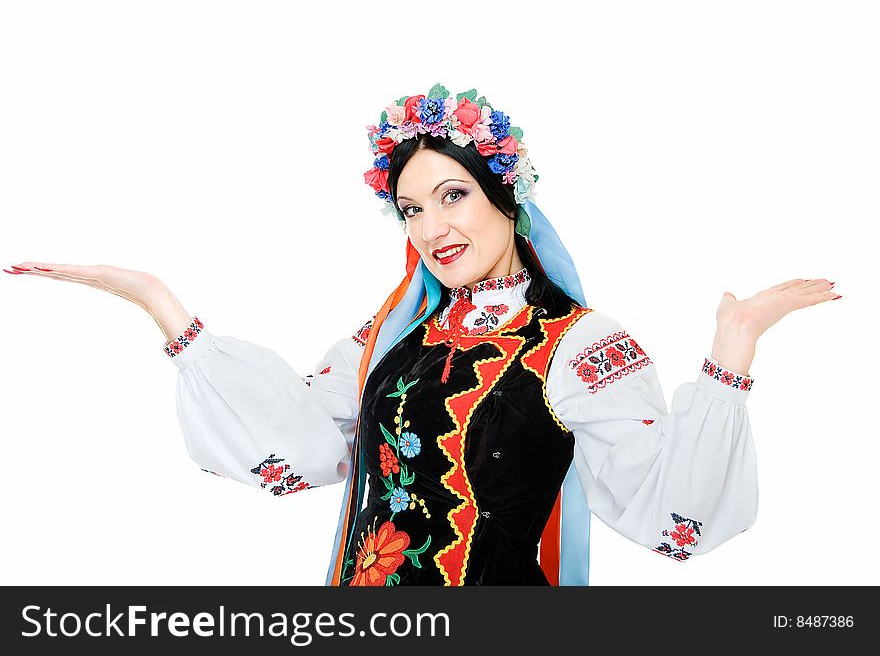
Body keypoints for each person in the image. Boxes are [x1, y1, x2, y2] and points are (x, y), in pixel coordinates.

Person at [5, 83, 842, 586]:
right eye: (412, 208)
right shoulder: (391, 339)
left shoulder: (579, 344)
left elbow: (671, 512)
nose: (432, 226)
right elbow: (299, 449)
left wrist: (732, 351)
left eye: (452, 196)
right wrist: (163, 306)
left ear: (504, 198)